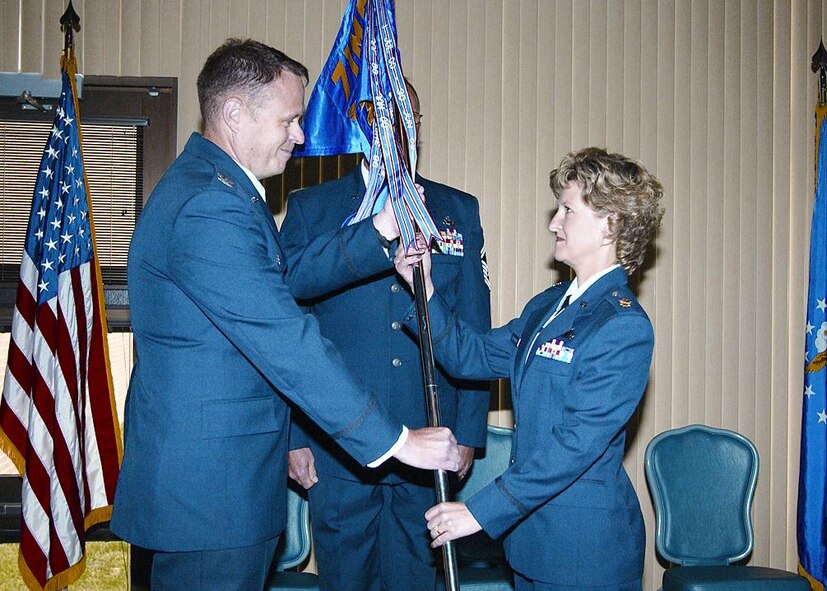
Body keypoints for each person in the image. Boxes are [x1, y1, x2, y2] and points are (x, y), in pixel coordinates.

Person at [110, 38, 460, 591]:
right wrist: (396, 440)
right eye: (289, 120)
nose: (300, 136)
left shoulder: (215, 190)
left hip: (214, 490)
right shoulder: (210, 205)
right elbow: (284, 336)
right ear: (234, 112)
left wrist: (377, 232)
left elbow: (284, 275)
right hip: (210, 497)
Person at [395, 147, 664, 591]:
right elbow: (470, 356)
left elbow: (574, 445)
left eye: (568, 210)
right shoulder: (548, 306)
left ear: (610, 224)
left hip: (584, 553)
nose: (554, 223)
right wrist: (423, 286)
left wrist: (480, 510)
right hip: (530, 544)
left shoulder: (622, 326)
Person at [280, 80, 492, 591]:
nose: (398, 130)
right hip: (338, 443)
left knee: (416, 579)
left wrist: (469, 431)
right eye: (385, 118)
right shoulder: (314, 208)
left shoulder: (457, 209)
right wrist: (293, 437)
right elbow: (286, 328)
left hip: (430, 438)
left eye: (409, 119)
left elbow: (474, 327)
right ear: (363, 127)